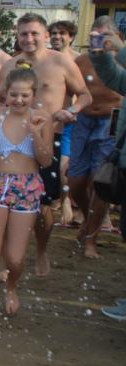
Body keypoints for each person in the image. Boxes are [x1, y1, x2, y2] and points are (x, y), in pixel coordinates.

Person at [0, 13, 92, 275]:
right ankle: (10, 263)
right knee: (9, 201)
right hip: (14, 141)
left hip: (52, 137)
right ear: (17, 36)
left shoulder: (61, 62)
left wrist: (71, 110)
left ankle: (40, 249)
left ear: (46, 36)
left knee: (44, 204)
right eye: (24, 34)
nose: (29, 39)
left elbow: (85, 94)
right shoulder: (10, 66)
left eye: (34, 33)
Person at [0, 68, 53, 331]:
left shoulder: (42, 118)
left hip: (27, 187)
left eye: (24, 95)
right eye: (13, 95)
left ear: (34, 95)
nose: (18, 100)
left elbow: (46, 160)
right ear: (5, 94)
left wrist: (36, 133)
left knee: (15, 258)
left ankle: (11, 285)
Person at [69, 17, 125, 258]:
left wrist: (118, 49)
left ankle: (92, 237)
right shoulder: (81, 61)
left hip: (110, 123)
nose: (98, 40)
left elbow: (116, 80)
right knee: (75, 182)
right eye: (94, 36)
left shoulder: (120, 59)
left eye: (102, 36)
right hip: (83, 121)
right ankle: (88, 220)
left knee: (100, 183)